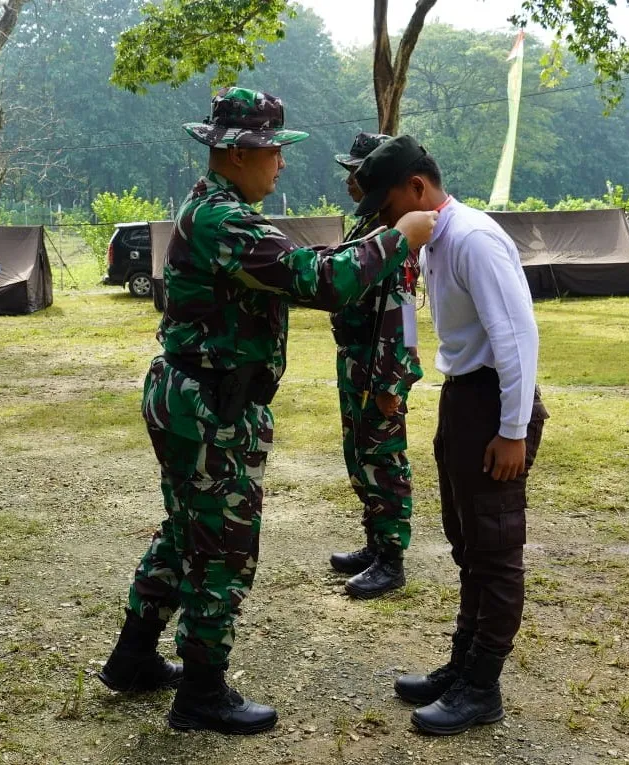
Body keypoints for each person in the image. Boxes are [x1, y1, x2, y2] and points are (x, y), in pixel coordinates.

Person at [95, 88, 437, 736]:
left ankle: (135, 652)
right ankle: (201, 691)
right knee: (222, 548)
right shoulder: (225, 221)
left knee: (185, 531)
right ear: (236, 152)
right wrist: (398, 237)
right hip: (209, 407)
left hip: (197, 398)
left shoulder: (218, 211)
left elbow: (313, 269)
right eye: (273, 150)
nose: (280, 163)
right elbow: (320, 280)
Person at [352, 136, 548, 735]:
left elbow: (517, 339)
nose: (386, 225)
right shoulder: (439, 241)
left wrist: (512, 430)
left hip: (492, 403)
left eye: (386, 210)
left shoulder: (472, 238)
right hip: (465, 398)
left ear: (417, 189)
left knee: (494, 550)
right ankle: (463, 664)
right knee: (467, 543)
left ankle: (482, 685)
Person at [327, 131, 423, 599]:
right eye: (349, 174)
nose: (351, 183)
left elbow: (403, 314)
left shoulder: (392, 236)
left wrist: (393, 381)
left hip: (379, 366)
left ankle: (392, 558)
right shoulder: (364, 229)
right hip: (355, 359)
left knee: (384, 460)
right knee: (360, 456)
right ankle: (373, 543)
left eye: (357, 174)